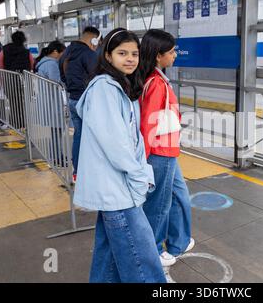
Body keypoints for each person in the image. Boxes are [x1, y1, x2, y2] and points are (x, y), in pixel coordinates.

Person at [73, 28, 165, 283]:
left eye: (134, 53)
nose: (130, 59)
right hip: (118, 188)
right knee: (142, 257)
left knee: (110, 255)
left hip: (115, 187)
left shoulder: (118, 86)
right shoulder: (105, 89)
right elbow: (117, 145)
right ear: (108, 56)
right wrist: (139, 177)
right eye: (122, 53)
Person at [139, 29, 194, 267]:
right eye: (171, 52)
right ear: (158, 55)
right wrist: (145, 159)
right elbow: (148, 123)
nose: (175, 56)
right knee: (159, 204)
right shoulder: (156, 83)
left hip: (168, 151)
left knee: (179, 195)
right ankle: (152, 251)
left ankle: (179, 242)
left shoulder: (155, 78)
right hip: (160, 153)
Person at [59, 26, 100, 183]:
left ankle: (77, 171)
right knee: (92, 136)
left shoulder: (66, 53)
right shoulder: (89, 54)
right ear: (93, 39)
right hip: (87, 100)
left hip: (73, 99)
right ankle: (89, 172)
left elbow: (63, 77)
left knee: (79, 135)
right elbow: (96, 77)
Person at [35, 41, 67, 166]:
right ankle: (56, 158)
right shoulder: (51, 64)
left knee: (55, 131)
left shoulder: (44, 63)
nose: (62, 56)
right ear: (55, 52)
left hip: (49, 101)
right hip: (54, 102)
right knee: (56, 131)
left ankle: (57, 155)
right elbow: (56, 83)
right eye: (62, 53)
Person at [0, 31, 34, 130]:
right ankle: (23, 123)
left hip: (9, 80)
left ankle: (15, 124)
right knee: (23, 102)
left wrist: (1, 82)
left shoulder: (4, 50)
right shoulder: (26, 51)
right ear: (23, 39)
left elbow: (0, 66)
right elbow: (31, 64)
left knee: (13, 102)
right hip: (23, 80)